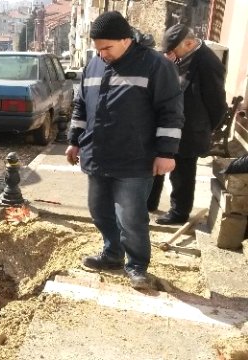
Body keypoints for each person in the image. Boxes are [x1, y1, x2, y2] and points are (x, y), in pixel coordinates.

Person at [65, 11, 184, 289]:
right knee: (100, 211)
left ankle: (137, 265)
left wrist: (166, 153)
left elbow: (171, 112)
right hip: (97, 154)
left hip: (135, 158)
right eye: (98, 49)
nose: (102, 54)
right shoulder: (94, 65)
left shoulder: (155, 66)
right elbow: (81, 105)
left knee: (130, 217)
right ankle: (112, 254)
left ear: (126, 39)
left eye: (107, 48)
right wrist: (74, 140)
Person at [147, 24, 227, 225]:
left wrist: (206, 128)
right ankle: (149, 202)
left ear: (189, 43)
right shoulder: (182, 56)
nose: (170, 56)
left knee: (182, 172)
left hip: (191, 128)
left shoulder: (208, 62)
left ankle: (179, 212)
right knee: (157, 162)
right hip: (171, 123)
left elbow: (217, 103)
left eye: (173, 51)